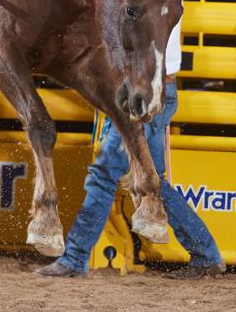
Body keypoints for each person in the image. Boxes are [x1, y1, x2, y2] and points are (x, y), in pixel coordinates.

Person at [33, 21, 225, 279]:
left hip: (144, 93)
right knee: (153, 181)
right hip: (148, 90)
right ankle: (206, 255)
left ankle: (75, 258)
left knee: (104, 175)